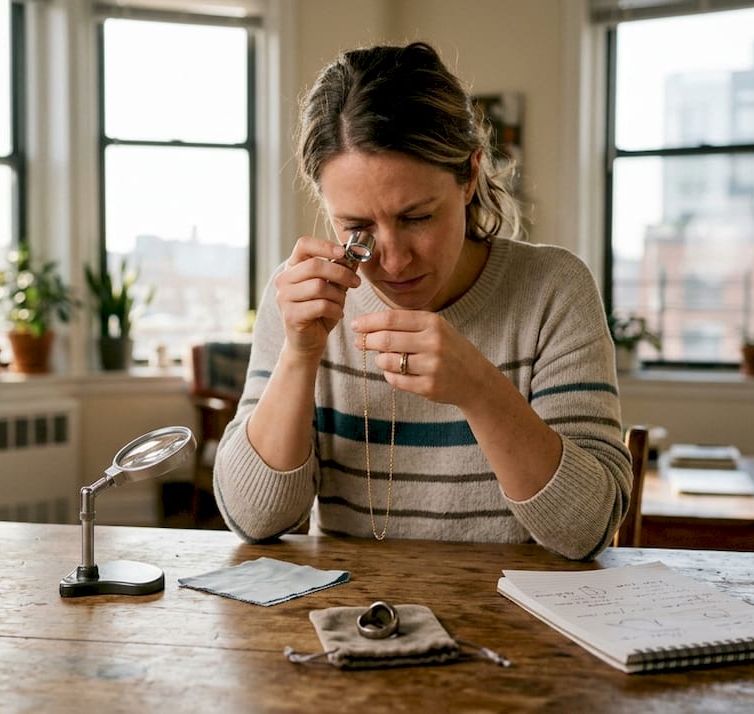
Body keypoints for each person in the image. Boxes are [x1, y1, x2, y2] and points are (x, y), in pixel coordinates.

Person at [212, 41, 630, 560]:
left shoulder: (553, 290)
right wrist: (299, 355)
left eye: (417, 218)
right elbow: (254, 520)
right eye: (356, 227)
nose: (392, 260)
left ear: (470, 176)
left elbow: (587, 530)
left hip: (516, 628)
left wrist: (480, 390)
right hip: (351, 624)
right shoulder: (302, 296)